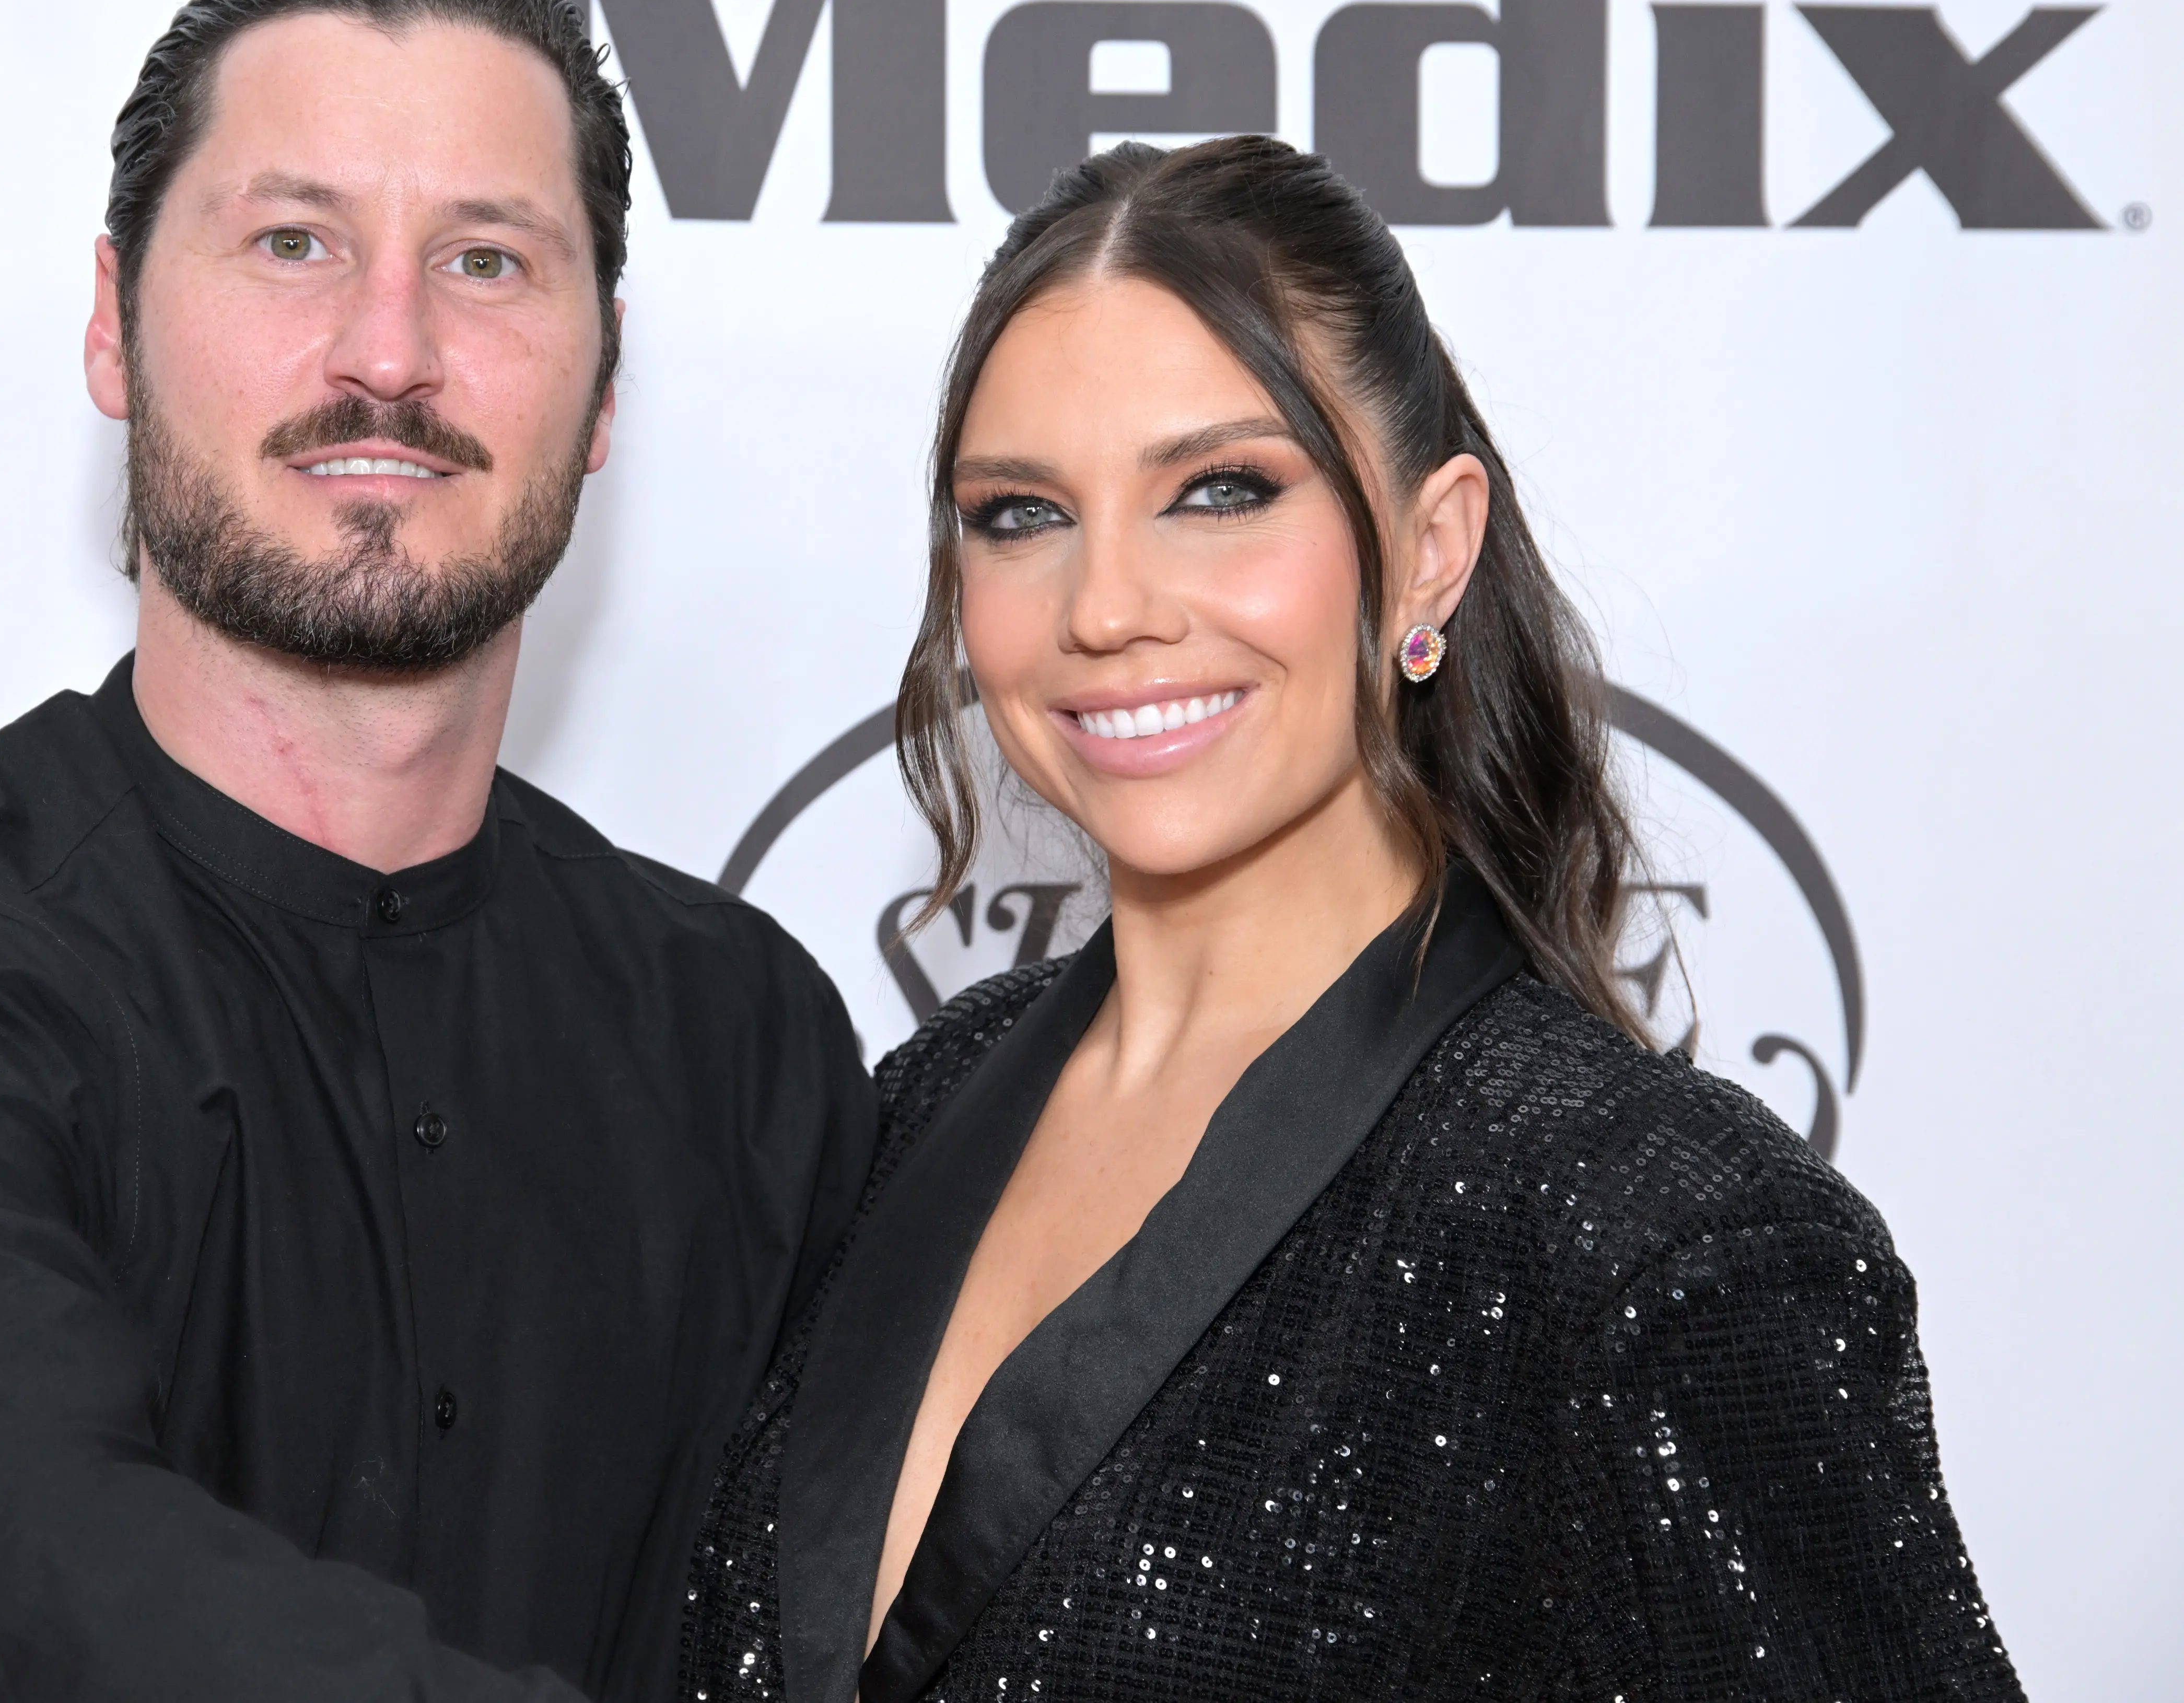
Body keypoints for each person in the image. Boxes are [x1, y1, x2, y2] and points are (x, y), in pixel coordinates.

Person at [0, 0, 875, 1703]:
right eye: (294, 242)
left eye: (486, 261)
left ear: (604, 380)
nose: (387, 350)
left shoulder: (747, 1044)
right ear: (113, 328)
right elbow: (63, 1620)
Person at [680, 136, 2024, 1703]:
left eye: (1221, 492)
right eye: (1022, 514)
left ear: (1431, 548)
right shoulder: (912, 1108)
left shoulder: (1646, 1234)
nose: (1104, 607)